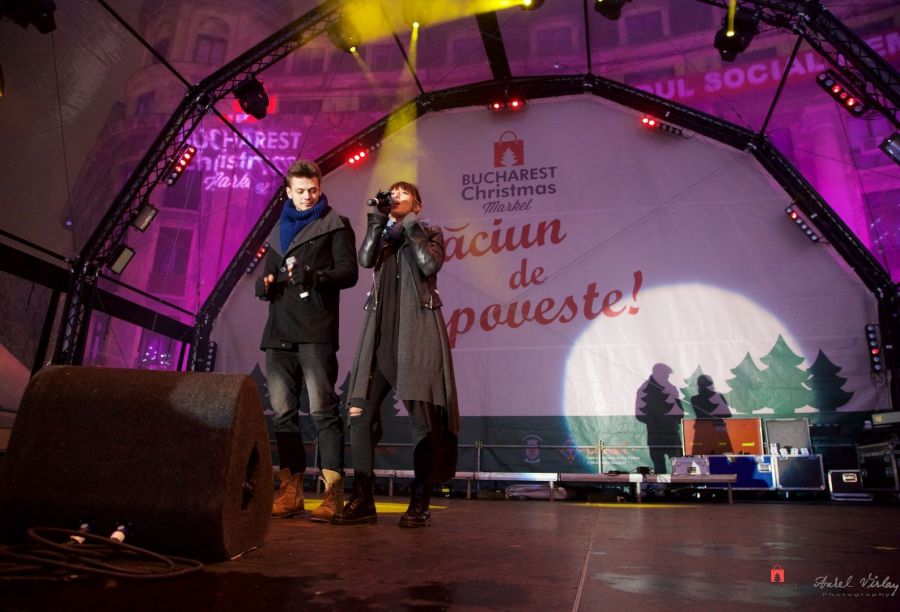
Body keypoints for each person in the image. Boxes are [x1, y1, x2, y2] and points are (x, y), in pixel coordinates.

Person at [333, 181, 459, 528]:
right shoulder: (385, 238)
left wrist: (411, 228)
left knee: (422, 422)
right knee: (359, 413)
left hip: (416, 335)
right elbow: (365, 259)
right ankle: (363, 499)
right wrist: (376, 222)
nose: (397, 195)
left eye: (405, 192)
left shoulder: (429, 232)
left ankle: (419, 501)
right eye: (393, 192)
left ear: (417, 204)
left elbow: (429, 266)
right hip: (379, 335)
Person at [255, 159, 358, 521]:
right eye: (300, 191)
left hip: (316, 331)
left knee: (322, 412)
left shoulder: (336, 224)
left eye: (312, 190)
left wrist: (314, 276)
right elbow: (266, 276)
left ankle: (332, 493)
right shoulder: (278, 231)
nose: (307, 196)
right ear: (288, 192)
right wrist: (265, 286)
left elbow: (349, 273)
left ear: (320, 187)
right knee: (283, 415)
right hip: (279, 333)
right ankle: (291, 490)